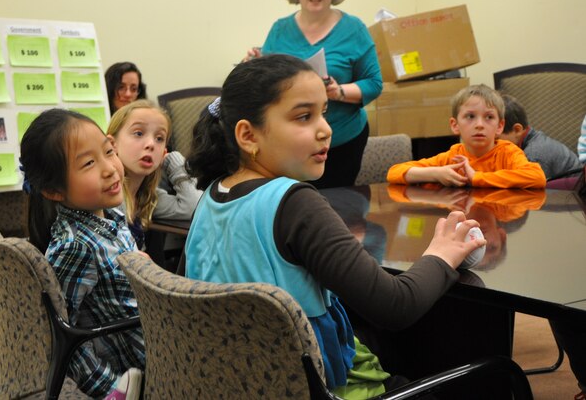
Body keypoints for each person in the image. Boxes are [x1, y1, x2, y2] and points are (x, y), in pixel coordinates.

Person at [184, 55, 485, 398]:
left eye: (323, 112)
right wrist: (441, 254)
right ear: (248, 136)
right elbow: (396, 305)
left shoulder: (210, 198)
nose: (325, 129)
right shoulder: (295, 203)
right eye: (303, 116)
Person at [20, 108, 144, 400]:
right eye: (88, 163)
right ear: (53, 191)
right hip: (141, 363)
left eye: (109, 151)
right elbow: (62, 335)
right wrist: (111, 388)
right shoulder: (76, 246)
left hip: (155, 335)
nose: (110, 168)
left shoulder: (110, 216)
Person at [245, 0, 383, 188]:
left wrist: (338, 91)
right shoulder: (280, 29)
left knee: (337, 209)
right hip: (289, 145)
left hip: (341, 142)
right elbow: (265, 85)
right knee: (293, 208)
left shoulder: (354, 28)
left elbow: (374, 83)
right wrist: (254, 64)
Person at [387, 84, 546, 189]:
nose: (479, 125)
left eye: (489, 117)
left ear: (500, 126)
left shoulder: (508, 153)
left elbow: (537, 177)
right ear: (455, 125)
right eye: (470, 116)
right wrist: (437, 173)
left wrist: (477, 178)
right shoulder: (454, 156)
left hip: (499, 216)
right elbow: (394, 172)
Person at [106, 100, 201, 250]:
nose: (151, 144)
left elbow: (192, 207)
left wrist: (173, 160)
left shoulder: (147, 198)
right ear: (112, 144)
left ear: (164, 151)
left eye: (159, 138)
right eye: (138, 133)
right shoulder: (108, 195)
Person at [497, 93, 582, 180]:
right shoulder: (531, 141)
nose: (492, 146)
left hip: (572, 191)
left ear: (517, 130)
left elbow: (529, 191)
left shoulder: (534, 156)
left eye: (496, 140)